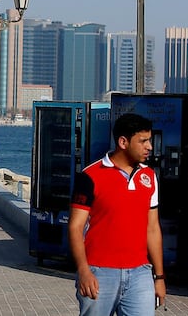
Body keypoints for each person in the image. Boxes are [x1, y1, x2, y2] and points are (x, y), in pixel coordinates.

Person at [68, 113, 164, 315]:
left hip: (140, 274)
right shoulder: (90, 176)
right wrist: (84, 271)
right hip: (98, 273)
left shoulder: (149, 177)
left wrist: (160, 277)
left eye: (150, 140)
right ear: (123, 142)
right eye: (143, 141)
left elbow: (153, 228)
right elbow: (75, 227)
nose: (150, 147)